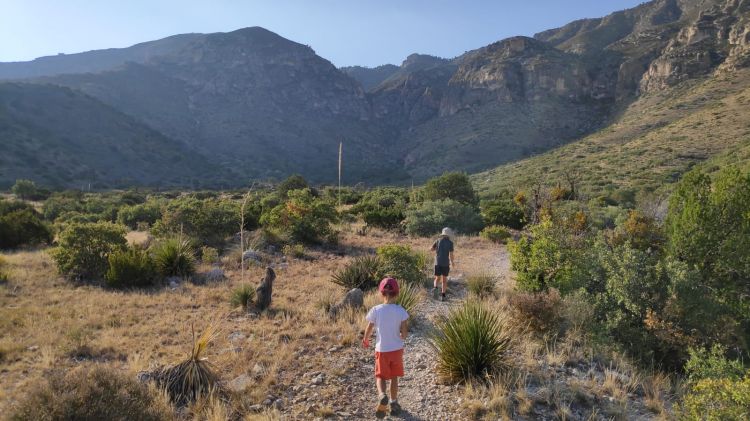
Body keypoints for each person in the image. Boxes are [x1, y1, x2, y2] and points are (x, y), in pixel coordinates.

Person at [362, 277, 409, 418]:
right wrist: (402, 336)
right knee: (394, 377)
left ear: (381, 293)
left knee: (381, 376)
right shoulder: (401, 311)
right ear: (397, 293)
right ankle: (394, 403)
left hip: (382, 350)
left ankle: (382, 395)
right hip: (396, 350)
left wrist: (365, 339)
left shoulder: (376, 310)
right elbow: (405, 332)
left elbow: (369, 328)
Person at [431, 227, 455, 301]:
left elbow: (431, 249)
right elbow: (451, 254)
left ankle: (435, 288)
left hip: (437, 262)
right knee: (444, 280)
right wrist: (452, 262)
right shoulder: (450, 243)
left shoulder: (437, 240)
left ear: (443, 234)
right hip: (445, 263)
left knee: (437, 278)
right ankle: (443, 296)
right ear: (448, 235)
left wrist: (436, 249)